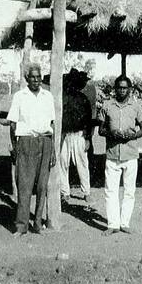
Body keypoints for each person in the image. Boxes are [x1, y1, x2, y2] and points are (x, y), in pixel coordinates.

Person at [7, 63, 56, 236]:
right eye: (32, 77)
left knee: (42, 186)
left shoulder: (47, 96)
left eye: (38, 76)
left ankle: (37, 224)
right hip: (26, 143)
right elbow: (12, 124)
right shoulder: (20, 96)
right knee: (25, 186)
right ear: (27, 79)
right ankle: (21, 226)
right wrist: (15, 149)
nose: (36, 80)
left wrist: (53, 151)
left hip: (45, 142)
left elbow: (52, 124)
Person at [97, 75, 142, 235]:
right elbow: (100, 130)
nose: (122, 90)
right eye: (119, 87)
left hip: (130, 154)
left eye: (125, 88)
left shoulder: (135, 106)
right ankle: (113, 224)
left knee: (129, 191)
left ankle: (125, 223)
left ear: (130, 89)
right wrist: (112, 134)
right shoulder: (107, 106)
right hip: (112, 154)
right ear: (115, 89)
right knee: (110, 190)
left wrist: (132, 136)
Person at [58, 69, 93, 204]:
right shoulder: (61, 99)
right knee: (62, 163)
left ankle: (86, 192)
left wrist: (87, 138)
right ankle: (65, 192)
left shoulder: (83, 99)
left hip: (79, 135)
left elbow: (88, 120)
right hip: (64, 135)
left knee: (82, 164)